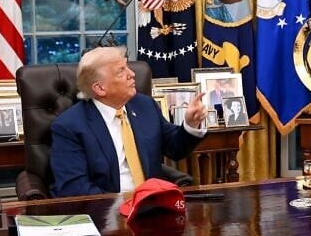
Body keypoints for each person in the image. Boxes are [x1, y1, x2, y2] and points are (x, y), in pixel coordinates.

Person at [50, 46, 208, 197]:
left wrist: (190, 125)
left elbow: (175, 149)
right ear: (99, 88)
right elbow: (75, 188)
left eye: (127, 67)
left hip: (152, 204)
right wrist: (122, 205)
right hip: (105, 209)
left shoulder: (145, 105)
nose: (132, 74)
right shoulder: (69, 126)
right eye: (121, 71)